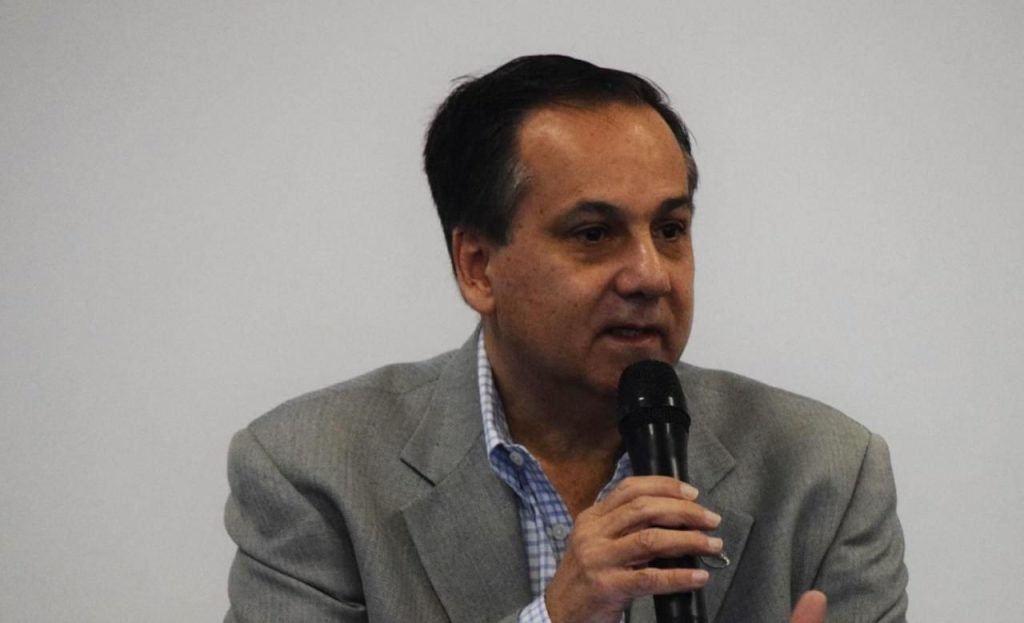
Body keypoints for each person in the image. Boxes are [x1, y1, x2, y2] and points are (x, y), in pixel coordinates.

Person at [223, 55, 908, 623]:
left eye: (670, 229)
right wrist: (558, 615)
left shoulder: (826, 474)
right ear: (477, 267)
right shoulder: (314, 471)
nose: (650, 275)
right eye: (593, 233)